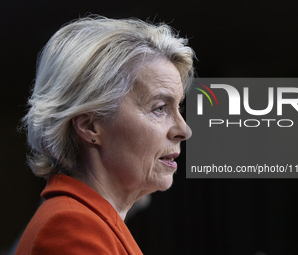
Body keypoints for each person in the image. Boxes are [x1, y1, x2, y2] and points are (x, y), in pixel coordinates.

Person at [16, 15, 194, 254]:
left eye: (178, 108)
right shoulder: (71, 226)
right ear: (90, 126)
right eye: (160, 108)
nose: (184, 130)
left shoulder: (94, 223)